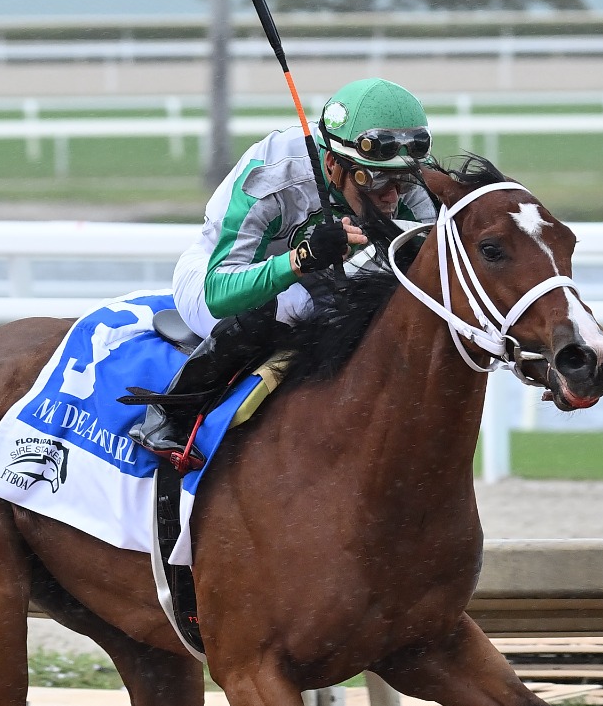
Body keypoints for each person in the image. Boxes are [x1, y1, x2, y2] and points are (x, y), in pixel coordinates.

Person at [129, 76, 437, 467]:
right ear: (332, 163)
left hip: (323, 274)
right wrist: (298, 260)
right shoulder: (272, 178)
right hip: (219, 275)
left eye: (403, 179)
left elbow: (443, 265)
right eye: (376, 181)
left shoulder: (393, 175)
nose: (393, 196)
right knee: (294, 304)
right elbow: (219, 293)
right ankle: (170, 414)